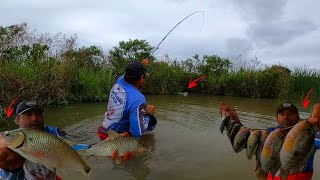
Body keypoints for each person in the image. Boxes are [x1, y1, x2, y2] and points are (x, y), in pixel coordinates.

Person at [220, 101, 320, 180]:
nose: (286, 117)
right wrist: (233, 119)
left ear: (298, 117)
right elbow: (245, 139)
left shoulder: (310, 133)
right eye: (282, 114)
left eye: (291, 113)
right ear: (276, 118)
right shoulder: (270, 133)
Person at [97, 59, 157, 140]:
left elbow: (128, 73)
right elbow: (136, 133)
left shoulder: (119, 80)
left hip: (102, 129)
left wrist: (141, 65)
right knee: (152, 121)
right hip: (113, 136)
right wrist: (149, 114)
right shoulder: (138, 99)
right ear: (142, 78)